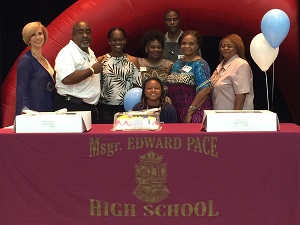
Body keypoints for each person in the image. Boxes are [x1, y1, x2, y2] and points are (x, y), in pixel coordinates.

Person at [53, 21, 104, 124]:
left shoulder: (89, 51)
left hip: (87, 107)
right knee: (72, 140)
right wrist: (92, 70)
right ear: (73, 36)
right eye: (80, 32)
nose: (85, 35)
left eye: (88, 32)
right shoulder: (67, 53)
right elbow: (67, 79)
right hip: (71, 108)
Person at [97, 27, 142, 124]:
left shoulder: (133, 60)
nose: (118, 42)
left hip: (127, 107)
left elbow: (137, 85)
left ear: (125, 41)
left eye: (121, 39)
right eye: (114, 40)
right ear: (109, 41)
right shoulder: (101, 60)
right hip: (105, 108)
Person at [167, 30, 212, 123]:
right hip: (178, 111)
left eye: (191, 44)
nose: (187, 46)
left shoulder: (200, 64)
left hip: (195, 112)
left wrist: (190, 112)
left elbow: (205, 90)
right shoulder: (177, 63)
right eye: (184, 43)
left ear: (197, 46)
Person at [16, 21, 55, 115]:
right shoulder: (26, 61)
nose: (37, 37)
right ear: (28, 39)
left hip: (48, 110)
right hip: (33, 114)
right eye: (33, 35)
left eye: (40, 33)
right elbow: (22, 91)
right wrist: (25, 112)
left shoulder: (45, 59)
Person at [210, 34, 254, 110]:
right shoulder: (220, 65)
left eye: (230, 46)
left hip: (234, 117)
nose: (225, 48)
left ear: (237, 48)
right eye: (223, 46)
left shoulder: (240, 64)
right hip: (219, 114)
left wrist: (235, 116)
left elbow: (241, 93)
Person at [138, 30, 173, 95]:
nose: (156, 50)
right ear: (146, 48)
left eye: (159, 47)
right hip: (142, 102)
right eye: (152, 47)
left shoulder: (170, 65)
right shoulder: (138, 63)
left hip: (165, 102)